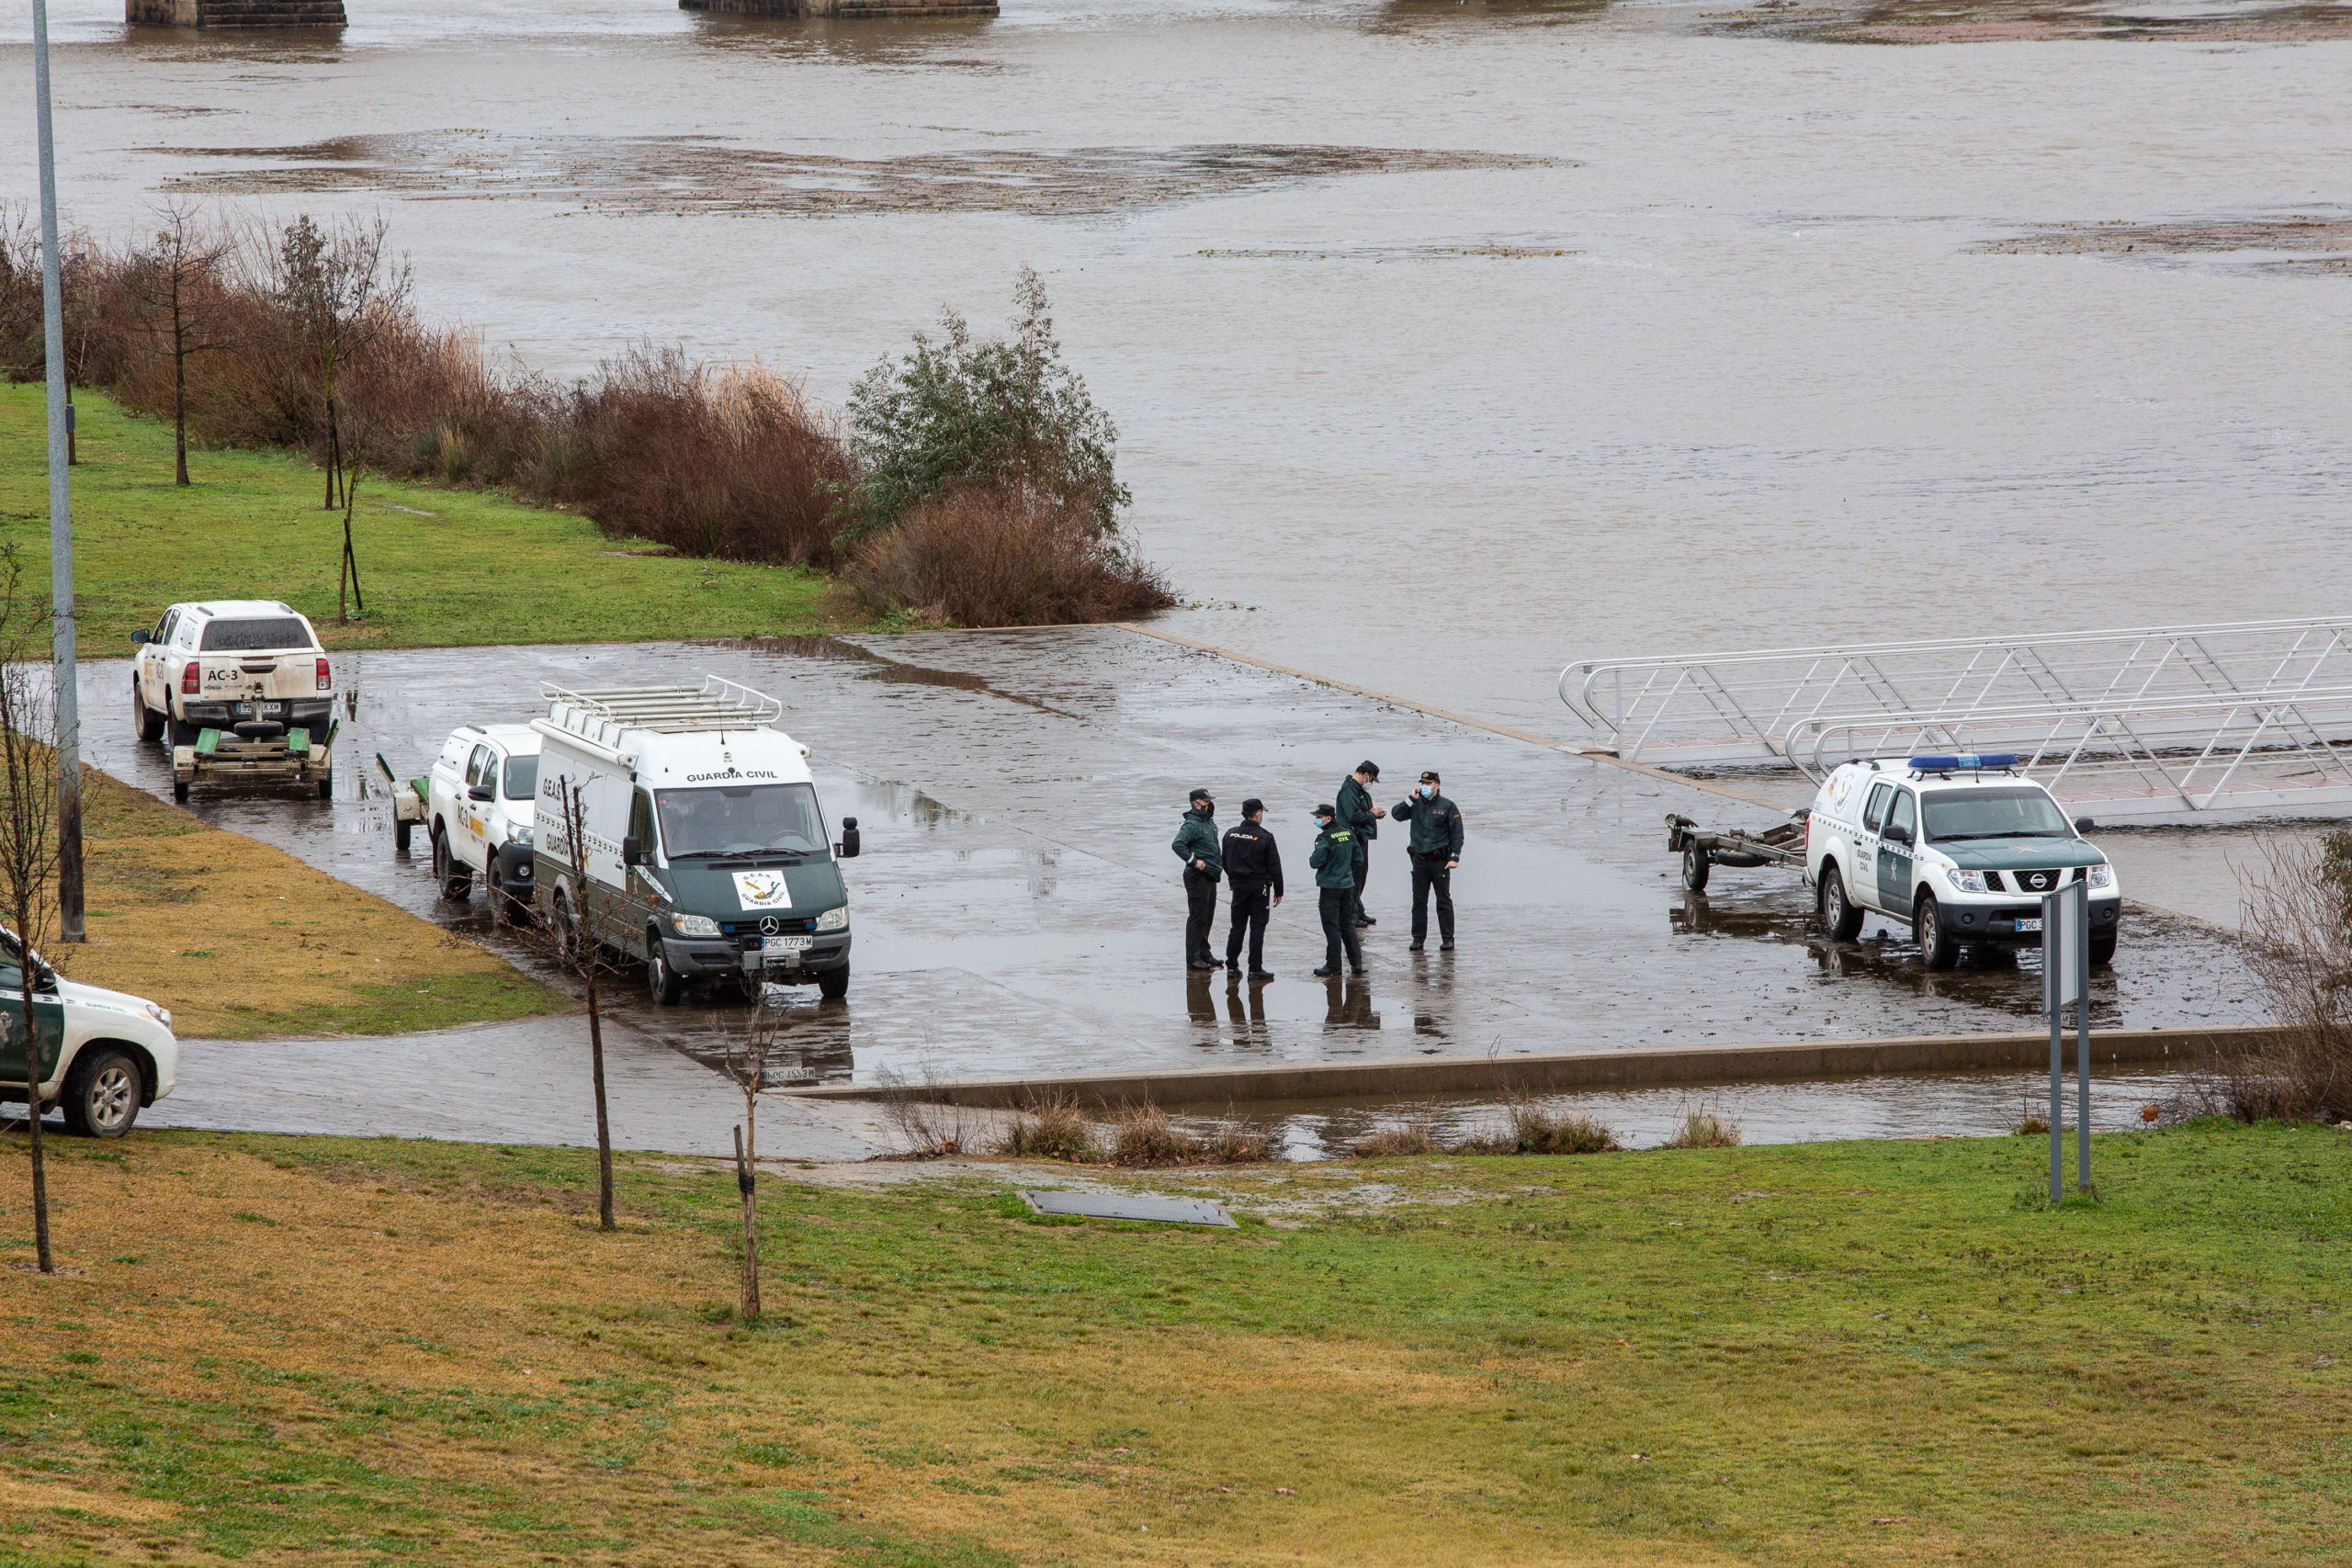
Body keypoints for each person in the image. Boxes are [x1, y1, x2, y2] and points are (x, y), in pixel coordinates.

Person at [1391, 769, 1464, 951]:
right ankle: (1418, 939)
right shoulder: (1415, 804)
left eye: (1429, 784)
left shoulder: (1447, 806)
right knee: (1419, 901)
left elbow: (1457, 834)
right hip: (1419, 859)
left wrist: (1455, 857)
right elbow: (1396, 815)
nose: (1425, 787)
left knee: (1443, 901)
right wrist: (1410, 799)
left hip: (1440, 861)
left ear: (1437, 785)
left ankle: (1448, 938)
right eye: (1423, 783)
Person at [1219, 797, 1283, 980]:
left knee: (1237, 927)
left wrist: (1234, 877)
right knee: (1257, 927)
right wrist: (1279, 890)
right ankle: (1255, 968)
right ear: (1258, 814)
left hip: (1238, 887)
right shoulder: (1265, 837)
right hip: (1258, 888)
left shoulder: (1230, 834)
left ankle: (1231, 965)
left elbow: (1224, 861)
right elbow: (1275, 867)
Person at [1306, 803, 1363, 976]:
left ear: (1328, 818)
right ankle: (1356, 963)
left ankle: (1333, 965)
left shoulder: (1325, 838)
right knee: (1347, 925)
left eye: (1319, 817)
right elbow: (1358, 859)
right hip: (1348, 886)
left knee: (1331, 926)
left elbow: (1314, 862)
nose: (1316, 820)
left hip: (1330, 888)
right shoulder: (1348, 833)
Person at [1170, 788, 1222, 969]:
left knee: (1207, 917)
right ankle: (1193, 958)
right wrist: (1193, 861)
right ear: (1196, 804)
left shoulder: (1208, 822)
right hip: (1197, 876)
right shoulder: (1192, 824)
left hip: (1210, 875)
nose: (1209, 805)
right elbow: (1178, 844)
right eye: (1206, 802)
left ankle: (1204, 953)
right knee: (1197, 918)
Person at [1336, 761, 1385, 929]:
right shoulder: (1349, 790)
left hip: (1360, 838)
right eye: (1371, 778)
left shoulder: (1358, 790)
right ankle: (1350, 915)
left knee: (1361, 874)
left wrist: (1373, 815)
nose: (1370, 782)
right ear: (1365, 775)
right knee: (1355, 876)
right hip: (1352, 839)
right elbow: (1352, 816)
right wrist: (1372, 814)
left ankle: (1358, 909)